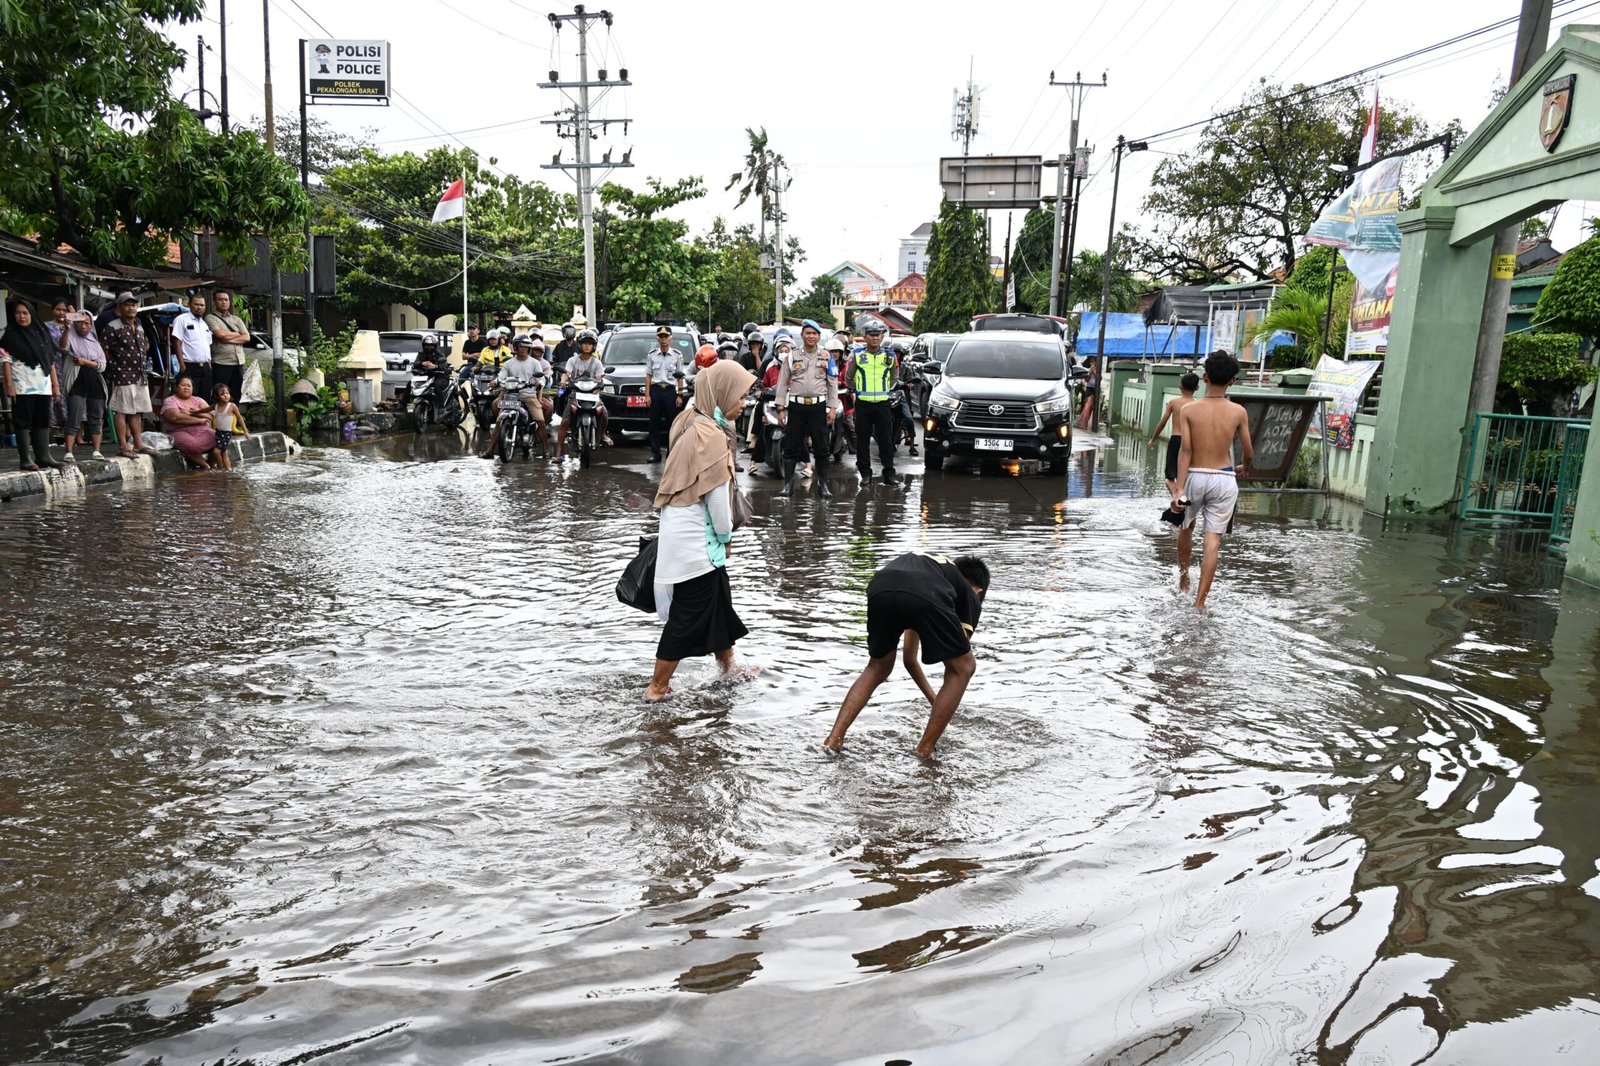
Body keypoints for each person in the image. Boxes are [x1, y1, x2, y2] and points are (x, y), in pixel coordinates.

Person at [646, 360, 757, 702]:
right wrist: (726, 539)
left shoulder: (691, 419)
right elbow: (718, 506)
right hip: (696, 543)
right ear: (721, 394)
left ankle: (728, 667)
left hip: (679, 532)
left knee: (719, 602)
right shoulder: (711, 436)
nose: (744, 403)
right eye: (740, 396)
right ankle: (658, 687)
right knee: (686, 618)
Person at [822, 552, 989, 761]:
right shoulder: (969, 596)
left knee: (877, 667)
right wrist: (945, 709)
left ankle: (833, 741)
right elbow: (957, 665)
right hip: (923, 591)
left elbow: (910, 659)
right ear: (978, 591)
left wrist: (935, 701)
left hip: (881, 584)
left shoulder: (935, 571)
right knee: (965, 667)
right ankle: (925, 749)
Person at [1172, 351, 1254, 610]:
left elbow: (1185, 450)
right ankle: (1200, 602)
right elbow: (1249, 451)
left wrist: (1180, 489)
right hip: (1224, 479)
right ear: (1232, 380)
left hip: (1195, 476)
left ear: (1205, 377)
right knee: (1213, 540)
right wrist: (1245, 468)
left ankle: (1184, 579)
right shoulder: (1238, 412)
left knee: (1186, 527)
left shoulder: (1189, 409)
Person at [775, 319, 838, 499]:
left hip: (818, 407)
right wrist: (780, 408)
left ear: (819, 336)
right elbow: (781, 383)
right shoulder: (792, 356)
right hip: (796, 407)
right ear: (802, 335)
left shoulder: (827, 356)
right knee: (791, 446)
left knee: (822, 447)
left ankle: (823, 485)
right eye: (808, 333)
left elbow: (832, 384)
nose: (811, 336)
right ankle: (788, 486)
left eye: (814, 333)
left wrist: (832, 408)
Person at [2, 296, 64, 471]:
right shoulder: (10, 335)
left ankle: (44, 456)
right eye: (18, 313)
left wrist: (55, 385)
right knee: (22, 421)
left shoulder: (41, 334)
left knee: (42, 420)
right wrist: (10, 385)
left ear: (32, 314)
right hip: (21, 385)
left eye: (25, 313)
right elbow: (5, 361)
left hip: (42, 385)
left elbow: (50, 361)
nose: (21, 316)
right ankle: (26, 459)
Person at [478, 334, 551, 459]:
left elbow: (541, 379)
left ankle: (545, 450)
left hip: (529, 395)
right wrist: (496, 381)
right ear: (515, 347)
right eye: (519, 346)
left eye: (525, 346)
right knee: (499, 421)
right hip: (511, 395)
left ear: (529, 348)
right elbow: (501, 376)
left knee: (541, 421)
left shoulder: (534, 363)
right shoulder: (509, 363)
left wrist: (539, 383)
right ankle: (490, 451)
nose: (522, 349)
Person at [101, 292, 152, 455]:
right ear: (119, 308)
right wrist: (113, 370)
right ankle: (123, 445)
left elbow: (144, 348)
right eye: (127, 305)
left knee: (137, 411)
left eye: (133, 305)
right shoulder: (112, 326)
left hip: (140, 375)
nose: (131, 308)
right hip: (122, 374)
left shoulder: (139, 326)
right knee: (121, 411)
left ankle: (138, 443)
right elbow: (104, 351)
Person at [849, 322, 898, 486]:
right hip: (863, 404)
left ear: (882, 336)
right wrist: (858, 390)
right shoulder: (857, 355)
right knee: (862, 440)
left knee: (886, 440)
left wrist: (887, 389)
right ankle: (865, 474)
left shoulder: (890, 356)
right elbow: (849, 377)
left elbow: (894, 377)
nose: (875, 337)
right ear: (865, 337)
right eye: (871, 334)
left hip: (883, 403)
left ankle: (889, 474)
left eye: (878, 334)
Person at [554, 328, 611, 459]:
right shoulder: (572, 360)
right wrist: (563, 381)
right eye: (584, 343)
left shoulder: (596, 362)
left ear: (593, 346)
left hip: (593, 395)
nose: (587, 345)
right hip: (575, 394)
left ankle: (602, 435)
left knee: (605, 414)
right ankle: (558, 453)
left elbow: (599, 379)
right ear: (580, 344)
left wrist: (599, 386)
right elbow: (566, 374)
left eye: (590, 343)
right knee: (564, 422)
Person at [62, 311, 109, 460]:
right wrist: (67, 328)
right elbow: (63, 347)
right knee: (74, 415)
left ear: (91, 325)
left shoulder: (95, 342)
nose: (84, 326)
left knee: (96, 417)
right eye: (81, 322)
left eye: (87, 323)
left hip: (95, 381)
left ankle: (96, 450)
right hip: (77, 381)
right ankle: (68, 451)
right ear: (75, 323)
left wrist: (85, 362)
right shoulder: (70, 337)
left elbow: (102, 365)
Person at [1149, 371, 1200, 498]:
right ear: (1197, 388)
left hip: (1176, 440)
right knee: (1187, 474)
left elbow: (1163, 422)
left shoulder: (1173, 403)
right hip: (1191, 442)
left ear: (1180, 386)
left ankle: (1177, 499)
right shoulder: (1198, 404)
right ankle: (1184, 499)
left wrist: (1153, 439)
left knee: (1170, 478)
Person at [161, 375, 221, 470]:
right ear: (176, 387)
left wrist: (193, 413)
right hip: (179, 431)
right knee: (192, 445)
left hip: (203, 430)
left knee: (221, 438)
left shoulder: (198, 400)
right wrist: (200, 420)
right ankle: (204, 464)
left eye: (189, 386)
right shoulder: (170, 400)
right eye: (183, 385)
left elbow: (211, 415)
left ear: (192, 388)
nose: (186, 388)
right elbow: (175, 418)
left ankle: (211, 463)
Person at [645, 325, 686, 463]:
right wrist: (647, 395)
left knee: (672, 424)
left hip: (670, 392)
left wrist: (680, 394)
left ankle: (671, 453)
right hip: (656, 391)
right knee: (654, 424)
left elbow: (680, 376)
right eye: (661, 337)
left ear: (670, 338)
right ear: (657, 338)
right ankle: (655, 454)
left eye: (666, 337)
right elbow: (649, 376)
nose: (663, 340)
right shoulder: (652, 355)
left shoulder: (677, 355)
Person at [203, 289, 251, 403]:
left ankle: (233, 419)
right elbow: (220, 335)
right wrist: (237, 334)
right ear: (214, 301)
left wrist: (227, 337)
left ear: (229, 302)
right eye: (220, 300)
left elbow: (247, 337)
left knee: (235, 394)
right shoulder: (210, 318)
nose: (224, 302)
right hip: (221, 362)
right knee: (219, 395)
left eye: (226, 300)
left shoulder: (236, 319)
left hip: (238, 362)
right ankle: (218, 419)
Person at [169, 293, 214, 404]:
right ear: (189, 305)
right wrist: (182, 365)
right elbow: (177, 342)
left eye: (202, 305)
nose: (199, 307)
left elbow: (207, 345)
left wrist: (209, 364)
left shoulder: (204, 325)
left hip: (205, 367)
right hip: (189, 366)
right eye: (196, 304)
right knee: (189, 399)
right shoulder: (181, 319)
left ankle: (202, 421)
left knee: (204, 400)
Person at [211, 383, 248, 471]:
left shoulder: (232, 406)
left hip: (226, 433)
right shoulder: (215, 406)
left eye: (227, 393)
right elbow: (205, 410)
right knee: (224, 452)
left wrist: (245, 431)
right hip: (218, 432)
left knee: (216, 452)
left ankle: (220, 469)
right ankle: (228, 469)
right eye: (222, 394)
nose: (226, 396)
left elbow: (239, 418)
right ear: (217, 396)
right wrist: (195, 413)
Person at [1075, 357, 1101, 431]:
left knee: (1091, 406)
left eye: (1093, 362)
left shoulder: (1098, 370)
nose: (1091, 364)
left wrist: (1094, 372)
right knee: (1088, 404)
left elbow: (1099, 379)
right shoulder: (1089, 369)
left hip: (1095, 388)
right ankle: (1083, 422)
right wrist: (1090, 372)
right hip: (1089, 388)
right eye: (1090, 362)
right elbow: (1086, 380)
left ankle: (1085, 422)